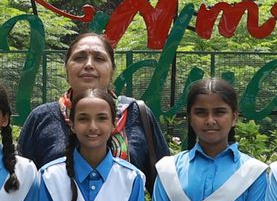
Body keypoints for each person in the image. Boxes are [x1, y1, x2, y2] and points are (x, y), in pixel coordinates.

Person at [17, 31, 169, 176]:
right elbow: (23, 182)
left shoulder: (137, 114)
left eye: (99, 59)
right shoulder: (41, 117)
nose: (89, 64)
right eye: (79, 58)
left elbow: (162, 183)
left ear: (112, 70)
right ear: (66, 68)